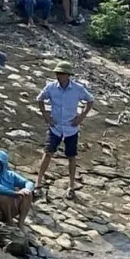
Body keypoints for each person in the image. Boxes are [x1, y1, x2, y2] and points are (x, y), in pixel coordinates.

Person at [34, 61, 94, 200]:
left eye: (61, 73)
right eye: (57, 73)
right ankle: (38, 183)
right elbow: (40, 98)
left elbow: (90, 101)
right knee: (47, 153)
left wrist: (81, 117)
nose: (58, 76)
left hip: (71, 128)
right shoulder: (51, 87)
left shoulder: (78, 89)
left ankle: (71, 186)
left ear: (68, 75)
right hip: (55, 127)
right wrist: (45, 115)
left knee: (71, 157)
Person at [0, 150, 34, 229]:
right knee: (3, 196)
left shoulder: (10, 175)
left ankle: (21, 223)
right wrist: (13, 193)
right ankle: (9, 221)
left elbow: (28, 183)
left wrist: (27, 189)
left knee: (27, 194)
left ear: (3, 164)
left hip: (6, 209)